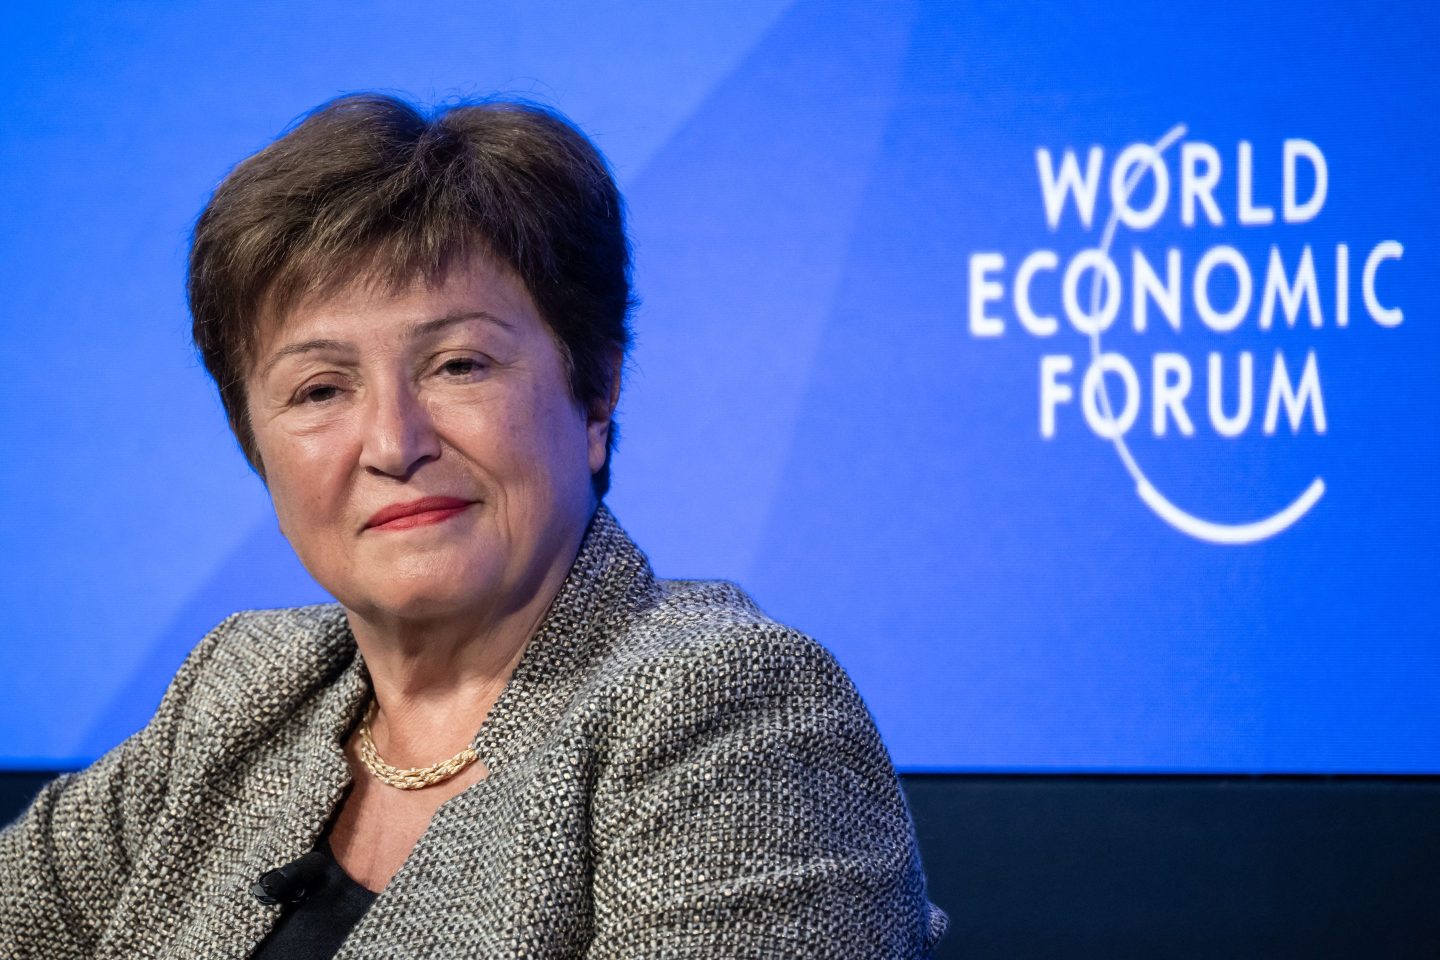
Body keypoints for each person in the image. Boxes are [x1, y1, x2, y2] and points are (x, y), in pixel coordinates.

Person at [0, 93, 947, 959]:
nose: (392, 442)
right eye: (320, 389)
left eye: (459, 365)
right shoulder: (242, 693)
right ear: (256, 441)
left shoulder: (728, 712)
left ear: (596, 389)